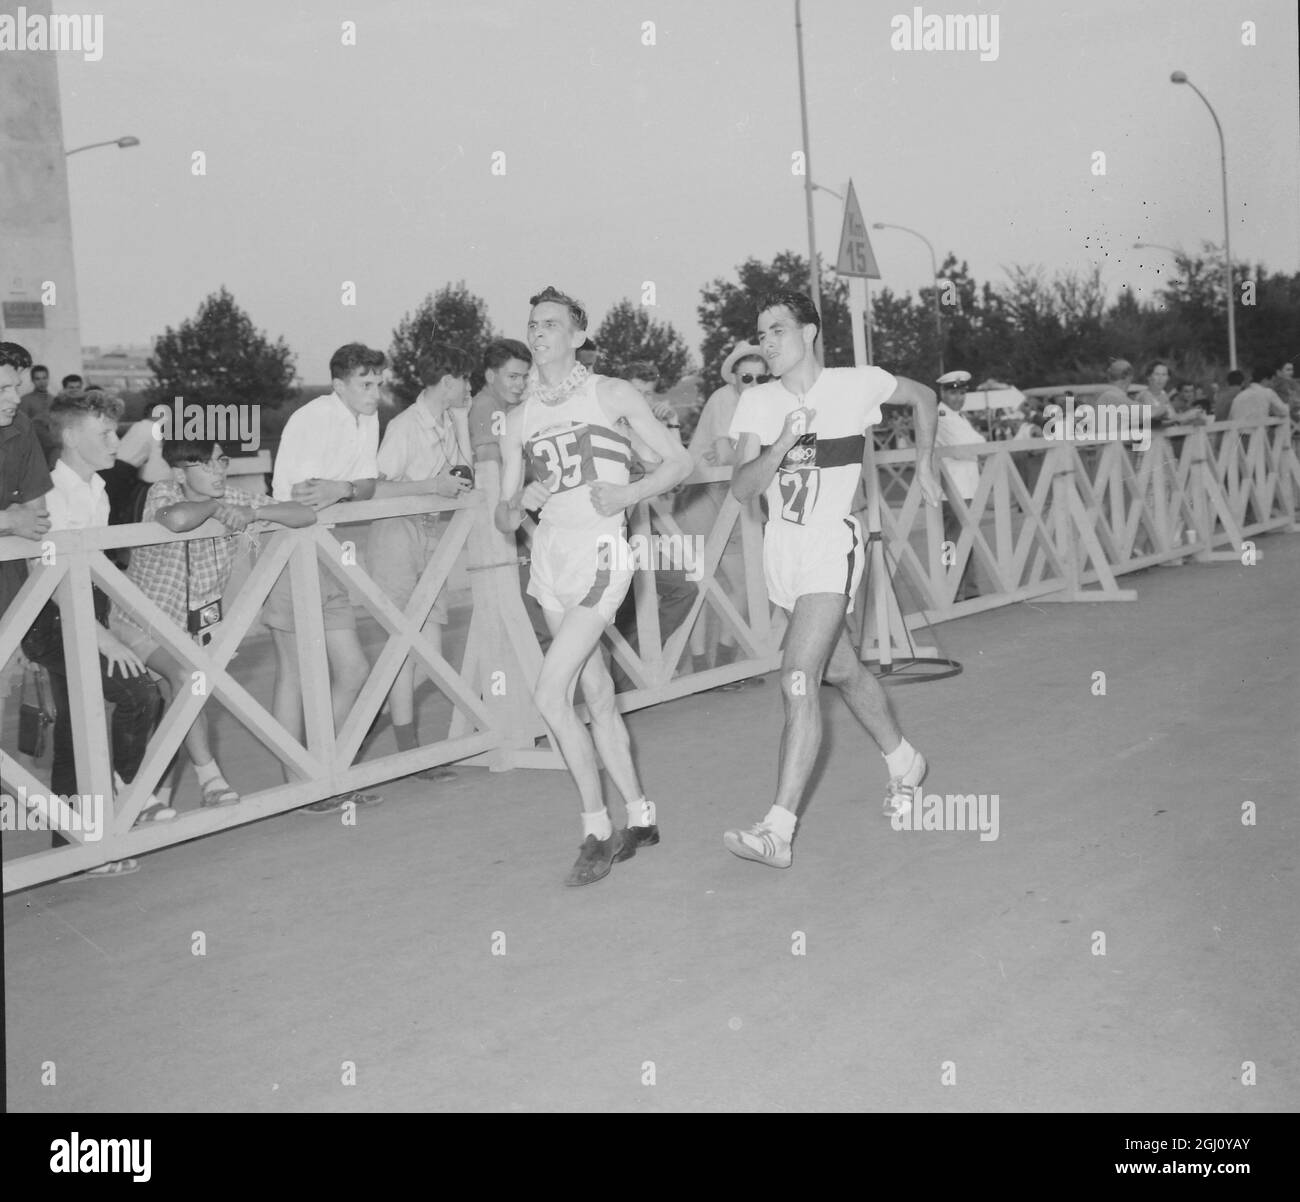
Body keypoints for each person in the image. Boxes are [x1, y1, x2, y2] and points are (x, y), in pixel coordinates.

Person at [721, 290, 942, 870]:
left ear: (810, 332)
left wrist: (925, 459)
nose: (766, 343)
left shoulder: (857, 383)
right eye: (760, 334)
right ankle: (905, 763)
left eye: (777, 331)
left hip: (830, 546)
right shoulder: (758, 402)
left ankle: (778, 829)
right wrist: (783, 445)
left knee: (798, 676)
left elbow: (924, 396)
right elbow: (742, 488)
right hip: (782, 555)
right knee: (840, 669)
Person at [496, 286, 692, 886]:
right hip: (550, 561)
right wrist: (517, 502)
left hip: (603, 555)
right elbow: (501, 517)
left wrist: (630, 494)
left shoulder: (609, 392)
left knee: (551, 694)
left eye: (551, 324)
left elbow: (681, 463)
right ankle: (641, 816)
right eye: (533, 324)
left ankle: (595, 829)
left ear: (578, 335)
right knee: (597, 691)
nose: (539, 333)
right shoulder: (519, 416)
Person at [108, 436, 315, 809]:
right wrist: (216, 507)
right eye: (204, 465)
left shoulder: (235, 498)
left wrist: (253, 514)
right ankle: (210, 781)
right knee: (189, 683)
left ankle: (154, 795)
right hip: (141, 622)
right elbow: (177, 519)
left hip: (192, 632)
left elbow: (305, 515)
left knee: (182, 700)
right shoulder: (163, 491)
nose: (217, 471)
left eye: (221, 462)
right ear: (178, 472)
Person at [21, 389, 166, 877]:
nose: (115, 441)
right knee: (138, 694)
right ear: (68, 437)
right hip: (56, 621)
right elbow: (54, 576)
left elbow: (98, 569)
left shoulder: (97, 488)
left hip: (86, 616)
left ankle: (74, 848)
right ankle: (126, 796)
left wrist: (112, 623)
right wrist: (102, 637)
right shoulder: (51, 491)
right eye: (103, 432)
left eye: (115, 430)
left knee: (72, 730)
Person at [266, 343, 390, 813]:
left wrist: (345, 490)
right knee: (295, 672)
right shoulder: (313, 417)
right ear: (338, 385)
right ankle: (298, 785)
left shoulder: (367, 417)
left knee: (354, 668)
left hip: (326, 548)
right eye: (365, 384)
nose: (375, 393)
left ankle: (323, 769)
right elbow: (304, 494)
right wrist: (344, 490)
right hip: (288, 547)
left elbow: (365, 487)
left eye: (378, 383)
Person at [371, 344, 475, 781]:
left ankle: (369, 718)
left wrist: (465, 424)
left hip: (432, 534)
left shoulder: (451, 422)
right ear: (448, 381)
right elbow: (375, 488)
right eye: (465, 380)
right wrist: (431, 485)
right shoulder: (403, 427)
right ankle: (409, 753)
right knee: (403, 649)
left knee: (429, 654)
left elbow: (466, 475)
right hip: (397, 533)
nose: (470, 387)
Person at [681, 342, 769, 683]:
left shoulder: (763, 404)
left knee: (745, 581)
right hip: (700, 492)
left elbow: (745, 456)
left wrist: (742, 453)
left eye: (761, 379)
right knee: (704, 583)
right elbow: (726, 452)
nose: (753, 384)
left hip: (733, 492)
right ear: (733, 377)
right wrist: (744, 453)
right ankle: (703, 667)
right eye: (747, 377)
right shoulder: (723, 399)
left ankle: (725, 663)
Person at [0, 342, 54, 779]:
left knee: (9, 683)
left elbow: (34, 519)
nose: (14, 397)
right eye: (2, 389)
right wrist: (7, 520)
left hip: (9, 579)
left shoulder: (19, 426)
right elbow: (18, 519)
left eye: (14, 386)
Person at [933, 369, 986, 601]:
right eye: (953, 393)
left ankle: (970, 589)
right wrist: (978, 445)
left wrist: (977, 445)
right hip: (953, 489)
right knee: (952, 542)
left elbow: (978, 443)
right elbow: (964, 444)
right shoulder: (941, 416)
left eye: (962, 393)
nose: (959, 398)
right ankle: (951, 588)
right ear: (942, 392)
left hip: (967, 486)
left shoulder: (958, 416)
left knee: (966, 539)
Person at [468, 339, 533, 466]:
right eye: (513, 377)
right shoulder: (485, 406)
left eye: (524, 377)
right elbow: (490, 464)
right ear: (490, 376)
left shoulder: (513, 405)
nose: (521, 384)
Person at [18, 363, 58, 465]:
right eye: (38, 379)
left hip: (53, 448)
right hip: (34, 447)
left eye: (44, 378)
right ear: (32, 380)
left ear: (48, 378)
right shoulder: (25, 400)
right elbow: (21, 426)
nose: (42, 382)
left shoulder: (54, 400)